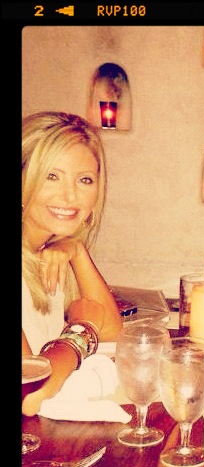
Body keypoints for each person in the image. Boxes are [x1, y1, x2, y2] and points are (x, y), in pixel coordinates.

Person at [22, 111, 122, 416]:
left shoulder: (51, 252)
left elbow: (111, 330)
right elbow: (29, 390)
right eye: (51, 176)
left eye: (84, 180)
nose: (69, 196)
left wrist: (77, 250)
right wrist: (82, 330)